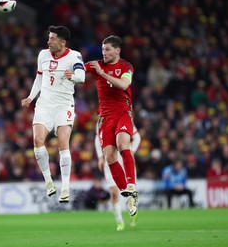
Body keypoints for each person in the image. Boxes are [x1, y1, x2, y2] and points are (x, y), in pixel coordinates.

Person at [21, 25, 85, 203]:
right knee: (37, 140)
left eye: (52, 38)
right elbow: (39, 77)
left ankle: (65, 188)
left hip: (64, 106)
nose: (48, 41)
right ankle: (49, 181)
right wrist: (30, 97)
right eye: (48, 38)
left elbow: (82, 77)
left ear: (62, 42)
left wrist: (71, 75)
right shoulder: (43, 55)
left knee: (63, 143)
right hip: (45, 105)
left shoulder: (74, 56)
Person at [85, 35, 138, 216]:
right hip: (105, 118)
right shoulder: (97, 65)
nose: (104, 53)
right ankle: (129, 195)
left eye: (107, 49)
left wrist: (102, 73)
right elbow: (77, 72)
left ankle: (131, 183)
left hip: (123, 113)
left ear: (117, 50)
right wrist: (69, 71)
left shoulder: (126, 66)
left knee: (123, 144)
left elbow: (123, 85)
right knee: (109, 157)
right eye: (102, 50)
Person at [95, 125, 141, 231]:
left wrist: (132, 150)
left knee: (131, 190)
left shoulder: (121, 117)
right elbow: (98, 139)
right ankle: (119, 221)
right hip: (110, 159)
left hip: (125, 159)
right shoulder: (100, 123)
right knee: (114, 192)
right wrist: (100, 157)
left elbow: (137, 136)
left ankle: (133, 212)